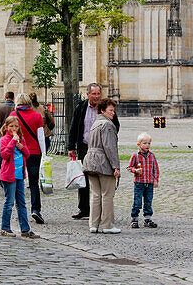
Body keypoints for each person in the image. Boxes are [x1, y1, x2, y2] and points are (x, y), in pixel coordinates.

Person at [68, 83, 120, 220]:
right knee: (83, 179)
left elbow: (116, 125)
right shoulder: (81, 107)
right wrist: (71, 147)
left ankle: (100, 211)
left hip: (101, 149)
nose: (96, 97)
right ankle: (84, 209)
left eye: (98, 94)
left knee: (102, 179)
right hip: (85, 147)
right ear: (88, 94)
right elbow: (74, 127)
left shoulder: (106, 108)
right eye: (94, 94)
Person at [82, 97, 121, 233]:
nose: (113, 113)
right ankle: (107, 225)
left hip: (90, 161)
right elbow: (110, 147)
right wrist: (116, 166)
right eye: (111, 110)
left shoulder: (95, 124)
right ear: (103, 110)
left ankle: (93, 224)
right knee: (107, 194)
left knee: (96, 194)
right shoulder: (108, 125)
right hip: (103, 162)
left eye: (113, 111)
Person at [0, 115, 37, 239]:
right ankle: (5, 227)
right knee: (9, 202)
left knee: (21, 202)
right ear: (6, 127)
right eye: (11, 126)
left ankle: (25, 229)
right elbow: (4, 155)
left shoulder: (21, 139)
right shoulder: (4, 139)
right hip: (8, 175)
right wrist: (12, 142)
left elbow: (27, 154)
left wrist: (21, 146)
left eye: (16, 126)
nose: (14, 128)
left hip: (19, 175)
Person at [13, 93, 47, 224]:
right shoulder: (37, 116)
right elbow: (40, 137)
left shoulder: (13, 116)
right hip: (34, 152)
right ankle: (36, 209)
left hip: (18, 153)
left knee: (18, 182)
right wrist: (44, 154)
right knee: (34, 183)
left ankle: (20, 210)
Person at [128, 132, 159, 228]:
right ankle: (134, 219)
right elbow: (129, 167)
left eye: (149, 143)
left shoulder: (152, 156)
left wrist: (155, 179)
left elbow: (155, 168)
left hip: (149, 182)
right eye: (144, 143)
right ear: (139, 144)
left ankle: (147, 218)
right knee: (137, 201)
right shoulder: (135, 156)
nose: (147, 145)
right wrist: (136, 170)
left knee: (148, 201)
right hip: (139, 183)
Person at [0, 91, 17, 162]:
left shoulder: (0, 108)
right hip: (15, 136)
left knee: (3, 159)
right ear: (13, 98)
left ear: (5, 98)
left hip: (3, 135)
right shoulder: (16, 108)